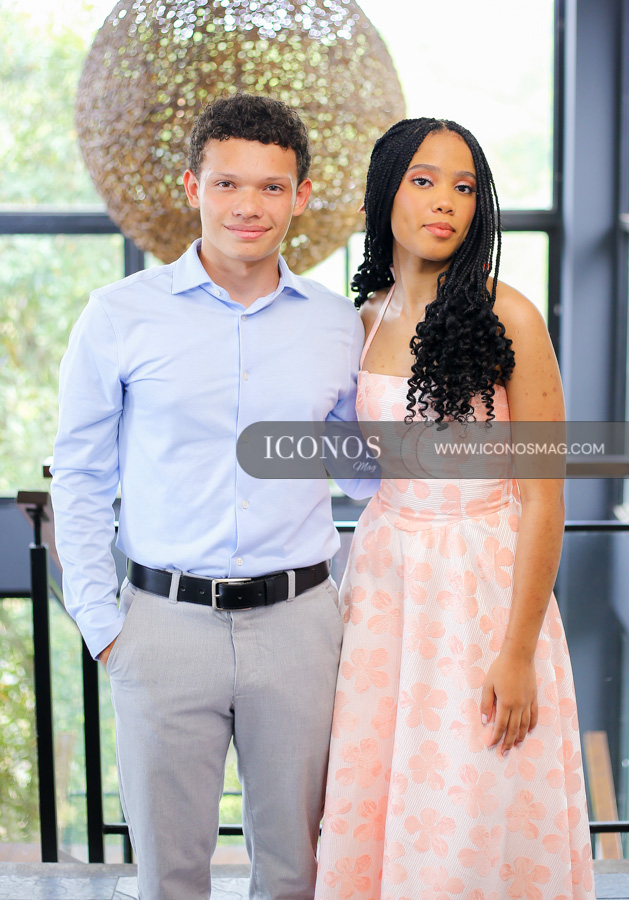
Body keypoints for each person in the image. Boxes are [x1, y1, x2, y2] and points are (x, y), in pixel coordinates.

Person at [51, 93, 376, 900]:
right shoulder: (118, 316)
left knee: (298, 873)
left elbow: (363, 473)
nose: (248, 206)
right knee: (169, 877)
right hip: (162, 628)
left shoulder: (337, 325)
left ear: (300, 197)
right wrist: (102, 625)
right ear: (193, 187)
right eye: (228, 183)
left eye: (271, 187)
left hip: (301, 628)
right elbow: (82, 477)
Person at [315, 118, 595, 899]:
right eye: (423, 180)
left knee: (472, 803)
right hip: (385, 586)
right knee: (381, 793)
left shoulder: (511, 316)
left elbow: (544, 494)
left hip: (483, 587)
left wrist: (518, 651)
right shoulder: (360, 321)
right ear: (385, 192)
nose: (445, 201)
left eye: (464, 187)